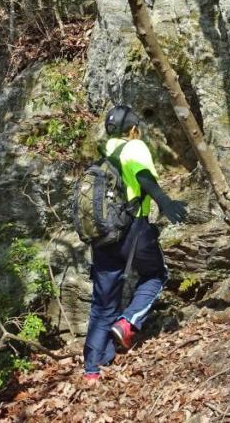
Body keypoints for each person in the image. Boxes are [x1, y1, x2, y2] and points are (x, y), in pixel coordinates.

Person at [82, 105, 189, 381]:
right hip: (132, 230)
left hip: (102, 236)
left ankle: (92, 370)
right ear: (132, 129)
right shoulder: (134, 147)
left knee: (102, 303)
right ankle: (128, 322)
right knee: (156, 274)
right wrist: (164, 202)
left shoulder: (104, 153)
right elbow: (143, 175)